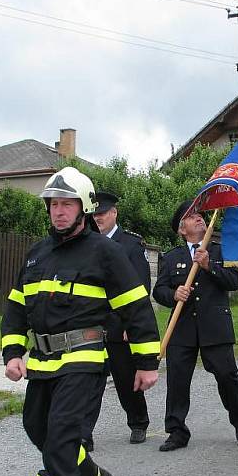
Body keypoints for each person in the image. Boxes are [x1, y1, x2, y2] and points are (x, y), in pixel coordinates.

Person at [1, 167, 160, 476]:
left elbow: (136, 308)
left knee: (61, 437)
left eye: (67, 203)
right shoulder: (37, 253)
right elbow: (16, 308)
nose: (59, 211)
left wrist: (146, 361)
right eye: (54, 204)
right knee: (36, 429)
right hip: (42, 362)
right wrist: (13, 352)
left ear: (84, 208)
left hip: (84, 361)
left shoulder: (106, 252)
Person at [152, 201, 238, 451]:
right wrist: (174, 294)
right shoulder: (173, 257)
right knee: (177, 381)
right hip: (182, 329)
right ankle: (176, 431)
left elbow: (234, 281)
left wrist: (209, 266)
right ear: (181, 229)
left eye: (200, 216)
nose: (199, 219)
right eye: (192, 217)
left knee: (227, 376)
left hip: (214, 327)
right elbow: (159, 290)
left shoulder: (218, 251)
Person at [81, 191, 152, 449]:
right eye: (94, 214)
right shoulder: (85, 243)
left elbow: (141, 287)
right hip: (91, 326)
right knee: (90, 381)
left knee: (125, 378)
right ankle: (84, 433)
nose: (97, 218)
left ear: (114, 213)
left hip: (119, 324)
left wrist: (128, 325)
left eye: (102, 214)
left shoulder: (131, 245)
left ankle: (138, 422)